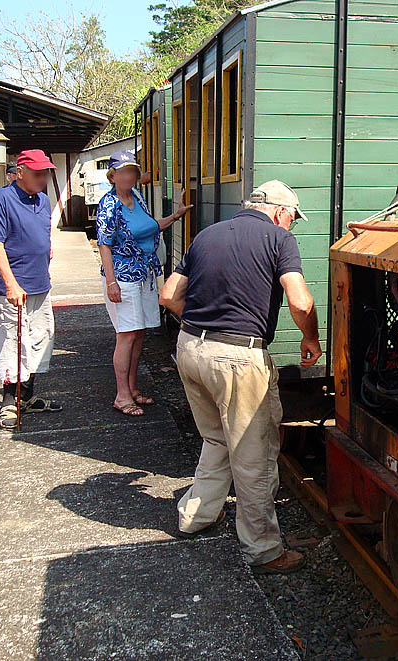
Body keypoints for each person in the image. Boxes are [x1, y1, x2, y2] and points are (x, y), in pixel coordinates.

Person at [160, 180, 323, 574]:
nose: (291, 227)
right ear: (282, 212)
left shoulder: (206, 235)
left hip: (190, 349)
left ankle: (196, 517)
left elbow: (168, 295)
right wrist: (311, 339)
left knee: (216, 437)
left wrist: (203, 329)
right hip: (237, 357)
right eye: (292, 220)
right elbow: (300, 300)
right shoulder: (278, 240)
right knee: (254, 457)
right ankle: (264, 550)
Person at [95, 150, 191, 417]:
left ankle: (133, 388)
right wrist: (111, 282)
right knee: (126, 335)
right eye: (123, 171)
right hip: (122, 277)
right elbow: (104, 244)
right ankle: (121, 395)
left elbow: (150, 228)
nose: (128, 176)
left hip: (145, 274)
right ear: (112, 175)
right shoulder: (109, 204)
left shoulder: (137, 198)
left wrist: (175, 216)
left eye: (132, 172)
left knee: (139, 333)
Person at [0, 151, 61, 429]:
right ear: (20, 172)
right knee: (12, 342)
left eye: (45, 173)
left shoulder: (42, 200)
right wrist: (10, 283)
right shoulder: (1, 199)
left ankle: (26, 398)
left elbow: (42, 235)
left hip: (40, 283)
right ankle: (9, 402)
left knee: (39, 340)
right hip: (14, 288)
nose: (43, 178)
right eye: (37, 173)